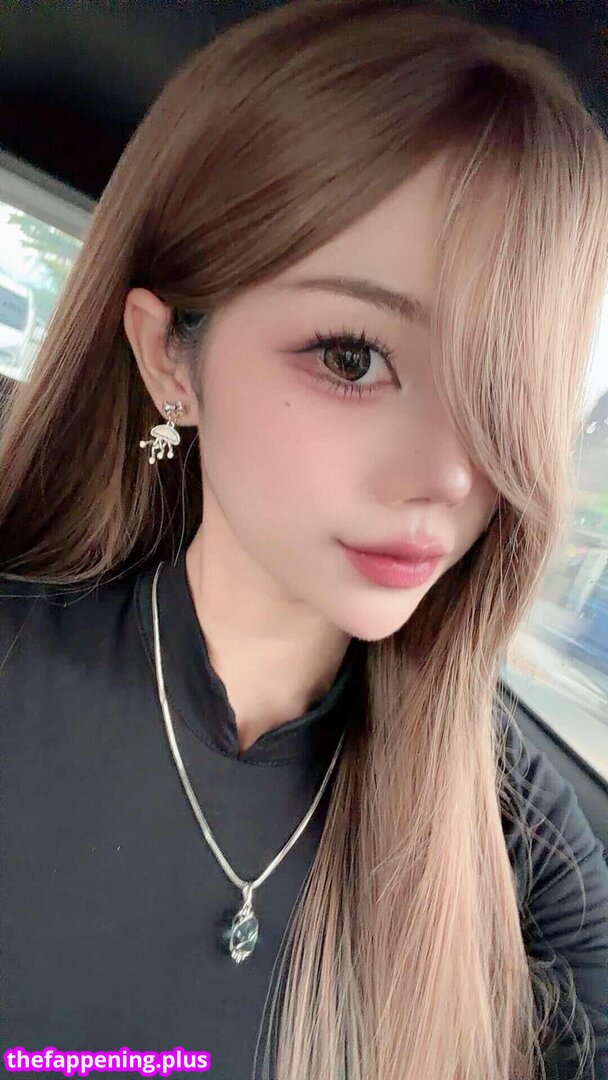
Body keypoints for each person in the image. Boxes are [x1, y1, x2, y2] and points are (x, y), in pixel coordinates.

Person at [0, 1, 607, 1078]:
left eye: (500, 388)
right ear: (170, 358)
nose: (452, 475)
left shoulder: (517, 829)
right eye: (350, 356)